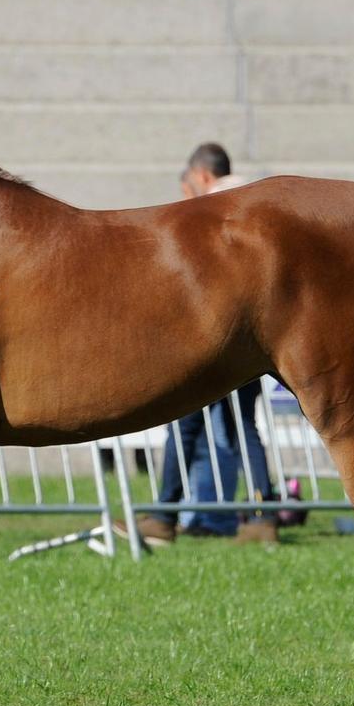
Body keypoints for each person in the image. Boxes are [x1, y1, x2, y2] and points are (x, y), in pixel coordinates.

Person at [139, 143, 278, 543]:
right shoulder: (261, 201)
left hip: (212, 337)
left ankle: (164, 514)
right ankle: (263, 512)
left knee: (183, 425)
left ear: (201, 177)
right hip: (255, 338)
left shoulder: (213, 210)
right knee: (241, 427)